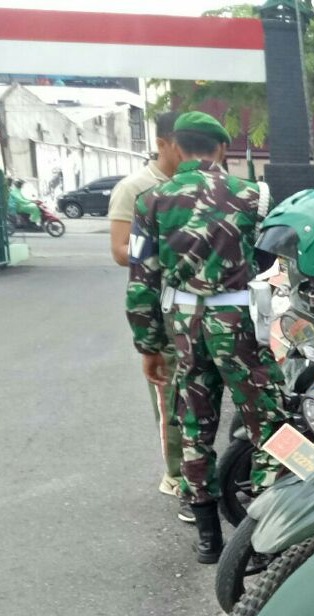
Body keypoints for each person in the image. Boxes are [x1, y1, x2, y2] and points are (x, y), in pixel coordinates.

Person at [126, 111, 288, 564]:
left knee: (194, 425)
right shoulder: (253, 195)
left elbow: (141, 281)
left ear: (177, 147)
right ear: (221, 149)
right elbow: (271, 261)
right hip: (237, 322)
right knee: (267, 422)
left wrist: (148, 345)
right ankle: (261, 539)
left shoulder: (151, 200)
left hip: (183, 326)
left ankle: (208, 538)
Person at [108, 112, 190, 521]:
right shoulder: (135, 188)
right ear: (162, 143)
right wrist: (164, 249)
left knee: (199, 398)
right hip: (160, 311)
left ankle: (201, 470)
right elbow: (120, 249)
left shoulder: (196, 184)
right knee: (169, 399)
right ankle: (176, 476)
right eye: (182, 145)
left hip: (198, 313)